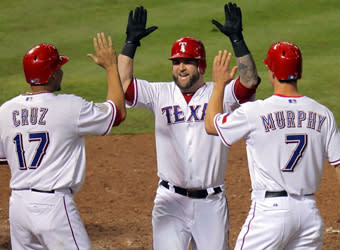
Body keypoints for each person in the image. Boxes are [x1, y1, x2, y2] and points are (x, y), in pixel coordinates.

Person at [118, 3, 260, 249]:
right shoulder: (159, 93)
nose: (181, 67)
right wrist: (130, 43)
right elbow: (123, 83)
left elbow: (249, 81)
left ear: (201, 65)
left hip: (210, 203)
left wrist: (237, 39)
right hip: (169, 201)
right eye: (177, 61)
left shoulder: (220, 93)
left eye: (188, 61)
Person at [205, 41, 340, 249]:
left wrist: (219, 84)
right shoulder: (323, 114)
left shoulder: (255, 111)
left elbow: (211, 125)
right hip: (309, 215)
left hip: (271, 214)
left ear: (273, 72)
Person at [0, 32, 126, 250]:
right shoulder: (70, 107)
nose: (61, 72)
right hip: (53, 208)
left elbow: (4, 159)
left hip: (18, 207)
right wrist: (111, 67)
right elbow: (117, 114)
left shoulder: (5, 111)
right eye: (58, 68)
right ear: (51, 75)